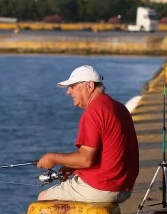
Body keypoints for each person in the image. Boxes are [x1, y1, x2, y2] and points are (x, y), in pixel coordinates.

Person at [36, 65, 139, 203]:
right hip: (124, 186)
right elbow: (105, 153)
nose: (68, 92)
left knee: (43, 199)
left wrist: (52, 157)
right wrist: (71, 166)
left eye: (72, 86)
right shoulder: (118, 107)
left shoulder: (93, 112)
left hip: (102, 187)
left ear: (89, 86)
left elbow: (86, 159)